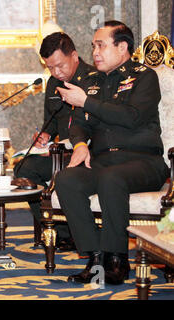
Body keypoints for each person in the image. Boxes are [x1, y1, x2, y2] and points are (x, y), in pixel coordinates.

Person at [55, 21, 169, 285]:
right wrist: (81, 144)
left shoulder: (144, 77)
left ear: (122, 47)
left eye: (101, 45)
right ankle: (96, 258)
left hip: (144, 162)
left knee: (111, 178)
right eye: (94, 45)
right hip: (104, 162)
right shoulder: (91, 82)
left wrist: (86, 101)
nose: (95, 52)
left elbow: (132, 117)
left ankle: (117, 258)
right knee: (67, 179)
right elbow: (79, 124)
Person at [14, 32, 95, 251]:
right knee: (23, 170)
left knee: (66, 174)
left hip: (86, 152)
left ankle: (77, 231)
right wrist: (45, 136)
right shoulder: (53, 84)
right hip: (58, 152)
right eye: (50, 68)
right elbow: (50, 122)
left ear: (75, 56)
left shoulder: (93, 80)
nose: (56, 72)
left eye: (60, 66)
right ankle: (58, 231)